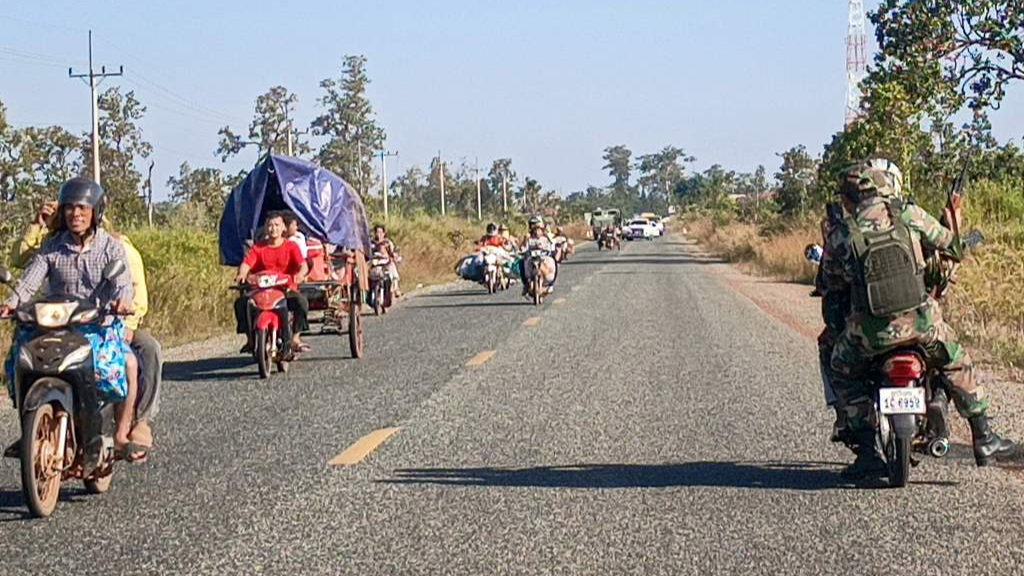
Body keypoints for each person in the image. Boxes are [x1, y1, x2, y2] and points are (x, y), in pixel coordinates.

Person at [820, 160, 1017, 479]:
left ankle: (867, 452)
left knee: (841, 369)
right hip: (922, 325)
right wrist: (953, 218)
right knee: (956, 362)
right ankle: (983, 437)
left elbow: (831, 282)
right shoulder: (908, 214)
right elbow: (949, 245)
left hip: (869, 334)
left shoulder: (843, 231)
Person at [1, 177, 138, 469]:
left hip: (96, 325)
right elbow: (28, 283)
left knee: (128, 365)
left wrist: (122, 302)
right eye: (69, 209)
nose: (75, 214)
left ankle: (121, 433)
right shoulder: (52, 247)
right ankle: (29, 431)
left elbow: (123, 283)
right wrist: (11, 304)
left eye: (82, 208)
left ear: (95, 212)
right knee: (18, 361)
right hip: (53, 326)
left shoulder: (111, 249)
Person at [234, 211, 310, 354]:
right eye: (270, 225)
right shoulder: (258, 248)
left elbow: (303, 265)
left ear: (283, 228)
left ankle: (295, 338)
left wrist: (300, 275)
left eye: (277, 225)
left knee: (301, 303)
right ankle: (250, 339)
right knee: (241, 303)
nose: (273, 228)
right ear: (265, 228)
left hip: (285, 289)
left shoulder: (292, 247)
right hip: (261, 290)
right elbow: (246, 263)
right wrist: (242, 274)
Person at [371, 225, 402, 299]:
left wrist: (394, 256)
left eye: (380, 232)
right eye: (377, 232)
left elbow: (392, 252)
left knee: (392, 267)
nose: (379, 234)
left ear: (384, 233)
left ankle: (396, 287)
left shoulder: (387, 242)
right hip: (375, 262)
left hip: (386, 261)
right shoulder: (372, 243)